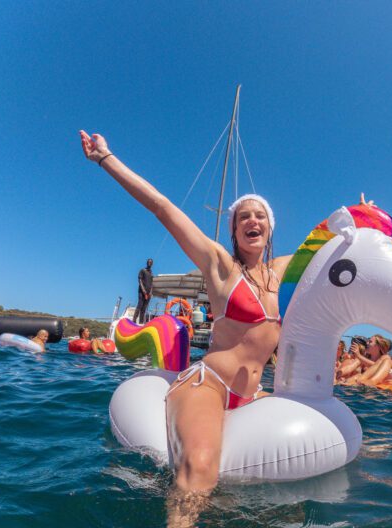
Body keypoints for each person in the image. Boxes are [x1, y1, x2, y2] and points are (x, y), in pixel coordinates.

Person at [80, 131, 292, 493]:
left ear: (270, 227)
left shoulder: (285, 271)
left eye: (260, 216)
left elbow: (338, 255)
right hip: (208, 385)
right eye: (243, 217)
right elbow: (163, 207)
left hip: (252, 394)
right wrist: (106, 158)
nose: (252, 221)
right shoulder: (220, 265)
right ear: (234, 228)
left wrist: (364, 220)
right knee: (200, 469)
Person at [134, 258, 154, 324]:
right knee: (140, 305)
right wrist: (143, 290)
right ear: (147, 263)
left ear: (152, 264)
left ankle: (141, 322)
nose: (149, 263)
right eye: (148, 262)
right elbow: (140, 280)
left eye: (151, 263)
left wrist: (150, 292)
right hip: (142, 292)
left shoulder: (151, 274)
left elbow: (151, 284)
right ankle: (134, 320)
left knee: (144, 308)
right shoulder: (142, 270)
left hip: (148, 293)